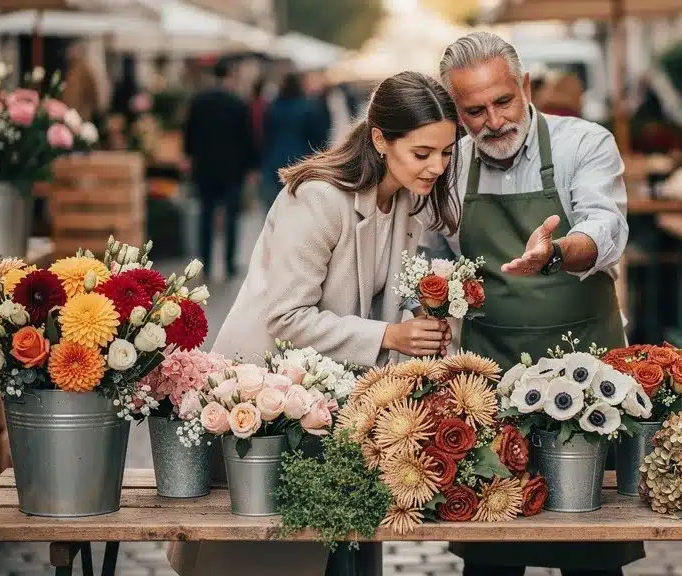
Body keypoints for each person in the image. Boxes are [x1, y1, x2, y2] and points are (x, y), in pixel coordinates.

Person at [167, 70, 459, 576]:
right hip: (270, 397)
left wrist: (420, 314)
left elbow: (383, 287)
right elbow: (286, 315)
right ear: (380, 140)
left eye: (447, 153)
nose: (437, 166)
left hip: (338, 404)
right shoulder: (319, 198)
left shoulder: (406, 196)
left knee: (346, 546)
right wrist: (390, 335)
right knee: (268, 557)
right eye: (423, 152)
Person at [423, 31, 638, 576]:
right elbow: (433, 253)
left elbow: (606, 226)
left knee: (589, 547)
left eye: (503, 101)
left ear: (524, 86)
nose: (494, 121)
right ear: (456, 111)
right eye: (475, 111)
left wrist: (557, 252)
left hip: (587, 371)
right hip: (489, 377)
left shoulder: (583, 143)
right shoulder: (449, 165)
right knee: (493, 548)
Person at [182, 59, 256, 281]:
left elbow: (189, 133)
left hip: (204, 167)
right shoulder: (238, 102)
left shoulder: (199, 101)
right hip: (232, 168)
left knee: (205, 215)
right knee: (232, 216)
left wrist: (188, 156)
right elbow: (247, 138)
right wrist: (251, 166)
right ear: (230, 75)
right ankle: (229, 264)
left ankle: (205, 263)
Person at [259, 72, 325, 212]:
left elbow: (266, 135)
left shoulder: (273, 108)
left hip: (274, 160)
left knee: (274, 205)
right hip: (300, 160)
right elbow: (318, 138)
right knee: (297, 205)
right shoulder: (309, 107)